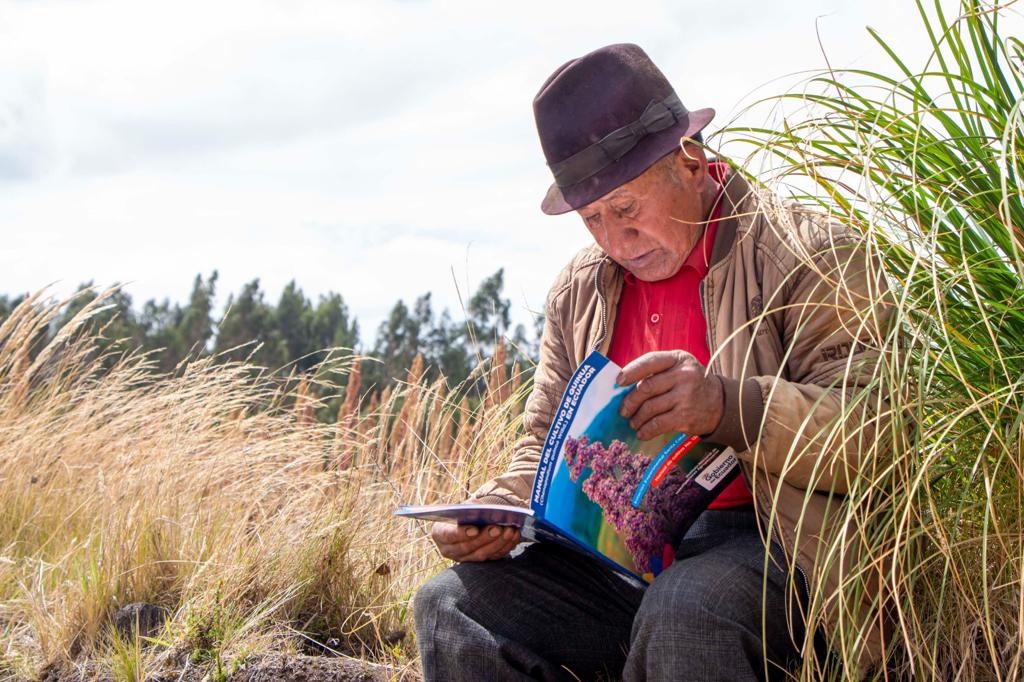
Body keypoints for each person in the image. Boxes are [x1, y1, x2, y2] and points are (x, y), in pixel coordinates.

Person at [413, 43, 888, 681]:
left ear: (691, 161)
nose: (614, 241)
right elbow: (544, 445)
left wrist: (727, 407)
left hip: (786, 548)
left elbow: (880, 434)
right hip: (616, 564)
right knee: (451, 605)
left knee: (688, 608)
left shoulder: (810, 251)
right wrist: (490, 513)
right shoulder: (580, 288)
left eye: (627, 210)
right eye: (592, 220)